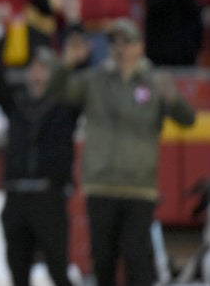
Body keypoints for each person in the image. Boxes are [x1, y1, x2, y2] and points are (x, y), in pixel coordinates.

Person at [51, 18, 196, 286]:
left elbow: (188, 120)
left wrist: (172, 98)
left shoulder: (153, 82)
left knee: (137, 260)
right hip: (101, 184)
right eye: (114, 43)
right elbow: (56, 92)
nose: (120, 48)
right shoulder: (94, 80)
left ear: (139, 47)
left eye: (126, 42)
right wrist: (66, 64)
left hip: (138, 186)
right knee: (103, 261)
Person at [0, 3, 79, 286]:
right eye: (33, 69)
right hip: (16, 195)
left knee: (57, 269)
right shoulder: (17, 104)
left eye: (44, 70)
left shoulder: (64, 107)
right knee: (18, 272)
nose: (37, 75)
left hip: (48, 195)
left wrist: (74, 27)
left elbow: (77, 74)